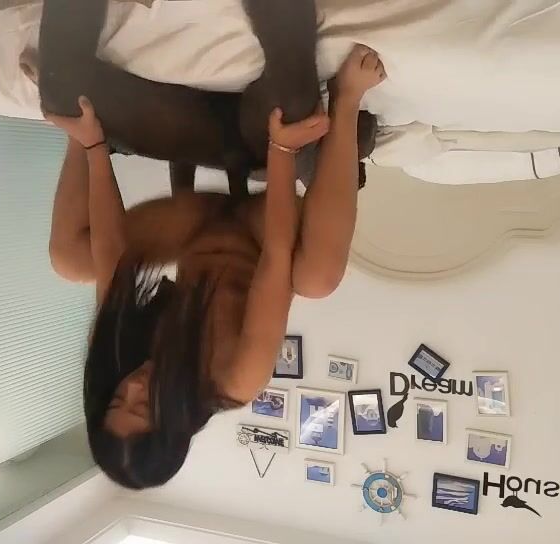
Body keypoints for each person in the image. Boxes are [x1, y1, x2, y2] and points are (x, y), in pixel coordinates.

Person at [45, 44, 387, 489]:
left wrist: (92, 144)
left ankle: (77, 122)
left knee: (70, 259)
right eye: (143, 406)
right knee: (317, 278)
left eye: (116, 401)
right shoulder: (236, 379)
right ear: (175, 423)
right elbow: (276, 259)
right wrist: (281, 149)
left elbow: (113, 253)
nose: (133, 388)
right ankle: (346, 101)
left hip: (197, 227)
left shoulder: (114, 356)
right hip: (260, 234)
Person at [36, 0, 376, 195]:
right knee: (297, 111)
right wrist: (345, 101)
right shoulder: (297, 273)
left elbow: (181, 194)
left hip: (208, 142)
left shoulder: (159, 273)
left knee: (62, 98)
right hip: (268, 151)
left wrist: (91, 143)